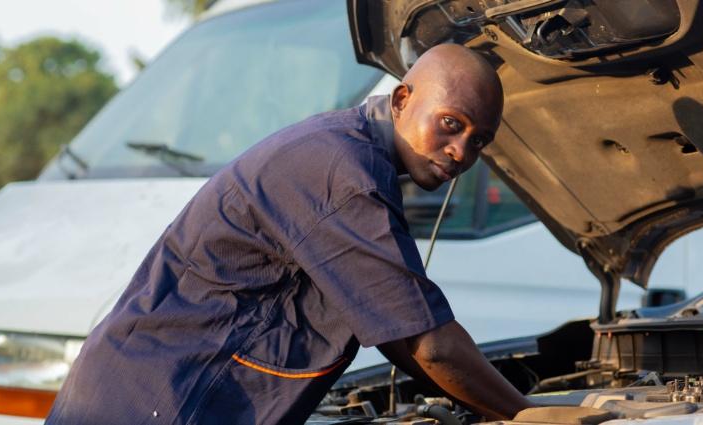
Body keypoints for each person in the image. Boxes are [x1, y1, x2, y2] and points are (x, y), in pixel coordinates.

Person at [46, 44, 533, 424]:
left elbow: (393, 327)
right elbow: (428, 342)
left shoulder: (349, 150)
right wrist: (528, 415)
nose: (460, 152)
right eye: (451, 124)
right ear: (403, 99)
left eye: (479, 141)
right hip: (160, 401)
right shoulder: (343, 173)